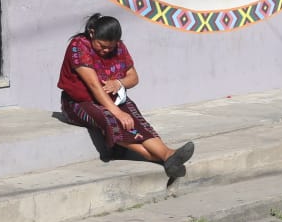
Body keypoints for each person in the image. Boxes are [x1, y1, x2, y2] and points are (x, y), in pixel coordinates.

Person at [57, 13, 195, 180]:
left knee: (136, 119)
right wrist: (118, 112)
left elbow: (133, 78)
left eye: (110, 47)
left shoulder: (119, 47)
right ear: (92, 33)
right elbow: (94, 86)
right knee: (110, 119)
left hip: (114, 97)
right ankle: (163, 157)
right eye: (102, 46)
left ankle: (167, 154)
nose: (106, 50)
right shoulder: (78, 47)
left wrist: (119, 83)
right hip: (79, 103)